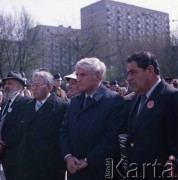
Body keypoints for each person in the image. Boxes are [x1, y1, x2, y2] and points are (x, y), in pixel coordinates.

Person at [60, 57, 125, 180]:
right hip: (75, 170)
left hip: (101, 170)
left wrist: (88, 160)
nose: (78, 79)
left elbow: (112, 138)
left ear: (98, 77)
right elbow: (64, 131)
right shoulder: (75, 101)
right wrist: (68, 157)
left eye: (83, 75)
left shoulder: (114, 101)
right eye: (77, 75)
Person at [126, 51, 178, 179]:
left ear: (149, 70)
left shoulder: (171, 97)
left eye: (133, 72)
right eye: (128, 73)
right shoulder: (135, 99)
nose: (129, 78)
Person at [17, 70, 68, 180]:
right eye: (32, 85)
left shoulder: (62, 107)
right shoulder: (27, 105)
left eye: (38, 85)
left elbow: (65, 137)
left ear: (49, 87)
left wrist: (61, 164)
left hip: (50, 166)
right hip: (28, 164)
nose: (34, 88)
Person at [0, 71, 31, 180]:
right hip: (5, 155)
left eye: (10, 83)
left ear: (19, 87)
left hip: (17, 155)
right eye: (5, 84)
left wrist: (4, 142)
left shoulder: (26, 102)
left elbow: (22, 126)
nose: (6, 86)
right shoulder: (5, 103)